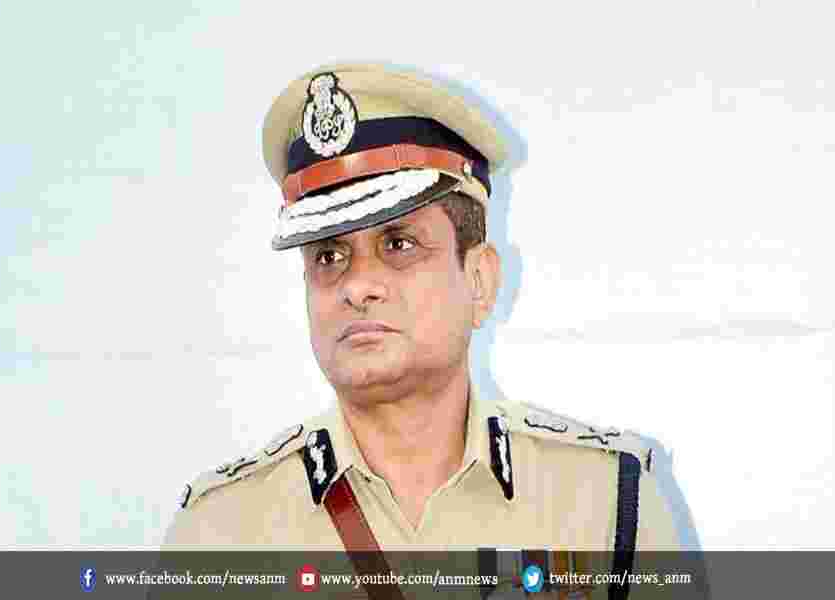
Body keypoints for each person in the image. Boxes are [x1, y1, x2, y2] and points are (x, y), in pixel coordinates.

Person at [161, 63, 683, 598]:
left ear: (479, 281)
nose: (357, 285)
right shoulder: (221, 532)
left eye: (398, 244)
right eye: (329, 256)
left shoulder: (605, 505)